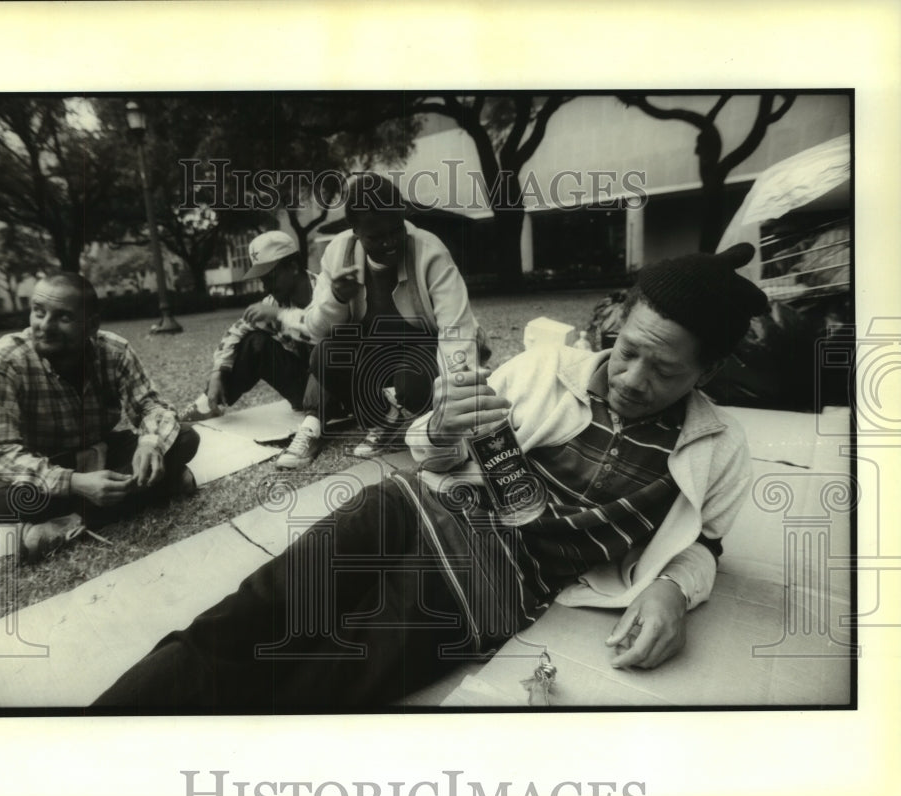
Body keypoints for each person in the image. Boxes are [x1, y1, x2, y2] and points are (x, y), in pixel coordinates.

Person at [93, 243, 768, 711]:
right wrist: (442, 427)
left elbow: (703, 545)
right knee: (249, 617)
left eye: (665, 370)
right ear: (615, 332)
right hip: (407, 512)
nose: (632, 377)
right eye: (626, 352)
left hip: (488, 589)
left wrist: (675, 591)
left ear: (706, 373)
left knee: (310, 687)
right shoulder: (538, 374)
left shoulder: (717, 446)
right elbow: (429, 452)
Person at [0, 273, 201, 564]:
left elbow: (151, 406)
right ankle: (161, 487)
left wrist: (150, 443)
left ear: (91, 324)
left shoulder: (114, 351)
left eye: (63, 317)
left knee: (185, 438)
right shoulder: (1, 360)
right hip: (44, 465)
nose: (45, 326)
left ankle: (67, 521)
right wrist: (74, 482)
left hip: (101, 452)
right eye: (38, 312)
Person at [301, 172, 488, 458]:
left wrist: (459, 401)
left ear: (403, 216)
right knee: (323, 356)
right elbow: (314, 331)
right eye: (376, 237)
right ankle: (383, 419)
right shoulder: (338, 252)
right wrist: (337, 297)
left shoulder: (429, 250)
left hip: (421, 349)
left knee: (410, 382)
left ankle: (414, 411)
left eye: (396, 230)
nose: (389, 243)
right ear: (355, 231)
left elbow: (457, 330)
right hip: (371, 351)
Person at [178, 230, 343, 469]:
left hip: (339, 389)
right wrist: (218, 372)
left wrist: (280, 316)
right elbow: (235, 332)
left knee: (329, 345)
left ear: (294, 267)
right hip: (304, 390)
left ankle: (312, 430)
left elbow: (324, 330)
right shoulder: (273, 303)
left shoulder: (325, 292)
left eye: (270, 275)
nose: (264, 284)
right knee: (255, 340)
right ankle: (209, 405)